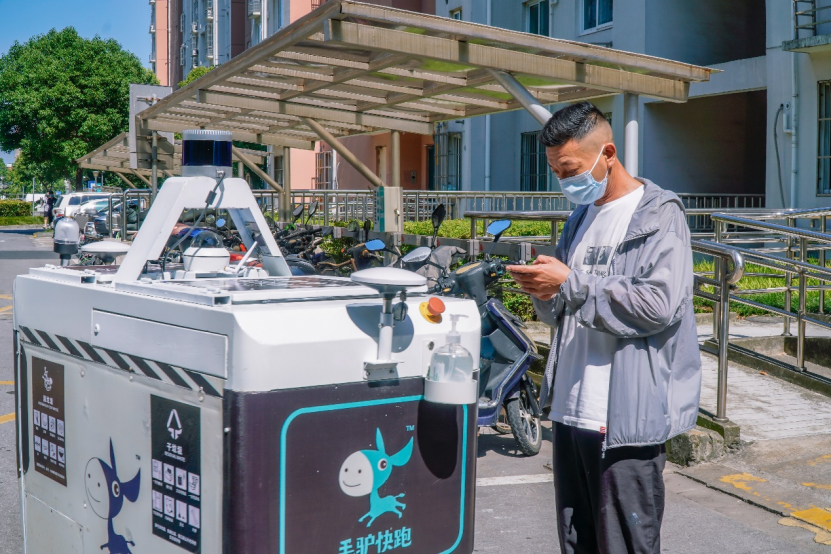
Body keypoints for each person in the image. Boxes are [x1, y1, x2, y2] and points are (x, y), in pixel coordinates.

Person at [508, 102, 701, 554]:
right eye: (555, 170)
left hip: (624, 420)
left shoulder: (659, 214)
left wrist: (571, 284)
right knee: (577, 541)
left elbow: (658, 306)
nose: (563, 180)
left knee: (625, 544)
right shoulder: (580, 217)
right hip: (570, 410)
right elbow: (565, 309)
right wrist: (544, 291)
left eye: (570, 169)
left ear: (607, 153)